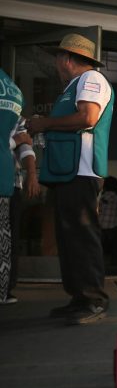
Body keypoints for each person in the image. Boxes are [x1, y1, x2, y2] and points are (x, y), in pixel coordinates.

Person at [27, 34, 114, 325]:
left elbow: (87, 117)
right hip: (68, 172)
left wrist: (44, 123)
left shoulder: (91, 79)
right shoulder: (72, 86)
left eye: (57, 59)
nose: (56, 65)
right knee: (68, 238)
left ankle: (94, 301)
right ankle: (79, 298)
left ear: (65, 58)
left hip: (82, 171)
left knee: (81, 236)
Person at [3, 117, 41, 305]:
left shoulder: (16, 115)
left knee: (10, 238)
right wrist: (16, 141)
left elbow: (25, 147)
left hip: (11, 184)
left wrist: (32, 175)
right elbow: (19, 141)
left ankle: (6, 288)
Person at [0, 69, 23, 305]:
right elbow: (21, 138)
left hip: (8, 177)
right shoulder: (14, 91)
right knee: (4, 240)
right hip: (5, 177)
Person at [98, 176, 117, 271]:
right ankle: (115, 262)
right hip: (113, 224)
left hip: (101, 224)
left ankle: (99, 262)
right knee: (114, 245)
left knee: (100, 245)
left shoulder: (102, 196)